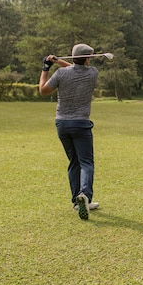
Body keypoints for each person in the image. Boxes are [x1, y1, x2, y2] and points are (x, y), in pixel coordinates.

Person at [39, 43, 100, 220]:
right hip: (81, 123)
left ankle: (77, 201)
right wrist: (59, 62)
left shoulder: (61, 73)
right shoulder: (92, 73)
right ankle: (85, 196)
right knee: (86, 163)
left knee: (74, 162)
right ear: (88, 58)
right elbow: (77, 69)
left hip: (62, 124)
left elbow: (43, 90)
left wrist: (46, 67)